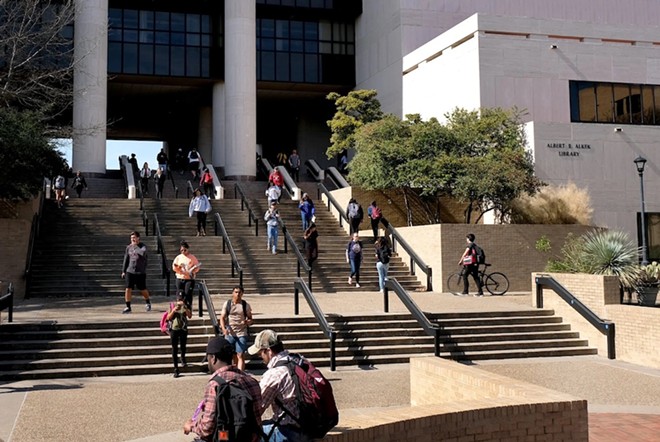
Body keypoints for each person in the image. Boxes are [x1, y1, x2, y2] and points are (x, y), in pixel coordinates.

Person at [184, 336, 263, 442]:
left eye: (208, 359)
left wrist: (192, 426)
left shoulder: (214, 385)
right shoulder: (252, 382)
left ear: (213, 358)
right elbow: (257, 417)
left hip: (224, 438)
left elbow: (207, 428)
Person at [247, 329, 311, 442]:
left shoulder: (274, 374)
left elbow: (257, 409)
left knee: (246, 434)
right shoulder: (298, 361)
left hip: (287, 432)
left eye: (260, 353)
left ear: (269, 351)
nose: (260, 357)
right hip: (306, 427)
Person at [220, 286, 253, 371]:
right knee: (231, 355)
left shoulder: (245, 305)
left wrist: (247, 322)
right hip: (230, 332)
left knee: (240, 354)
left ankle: (240, 374)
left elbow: (250, 319)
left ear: (242, 294)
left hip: (241, 332)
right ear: (232, 293)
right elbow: (222, 318)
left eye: (239, 292)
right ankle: (233, 371)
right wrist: (224, 329)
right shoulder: (227, 304)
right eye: (236, 292)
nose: (237, 294)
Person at [120, 231, 152, 313]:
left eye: (134, 238)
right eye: (131, 238)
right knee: (128, 288)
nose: (132, 239)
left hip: (140, 272)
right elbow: (126, 259)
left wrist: (135, 247)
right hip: (130, 271)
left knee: (142, 289)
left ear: (138, 238)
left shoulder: (142, 246)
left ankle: (147, 301)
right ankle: (128, 306)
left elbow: (142, 253)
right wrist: (123, 270)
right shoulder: (128, 247)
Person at [168, 291, 192, 378]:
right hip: (174, 329)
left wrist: (185, 308)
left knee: (183, 346)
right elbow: (168, 318)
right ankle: (176, 368)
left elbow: (190, 316)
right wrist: (174, 310)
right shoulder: (172, 305)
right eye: (178, 299)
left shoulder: (186, 305)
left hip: (183, 328)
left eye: (181, 299)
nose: (180, 300)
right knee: (174, 348)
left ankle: (183, 358)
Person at [172, 241, 201, 307]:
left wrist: (193, 269)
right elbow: (174, 267)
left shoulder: (192, 257)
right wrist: (179, 268)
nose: (183, 252)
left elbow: (197, 266)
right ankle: (180, 305)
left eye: (185, 250)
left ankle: (188, 306)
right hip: (180, 277)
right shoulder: (178, 257)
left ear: (187, 249)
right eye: (182, 250)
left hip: (189, 278)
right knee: (180, 292)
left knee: (188, 293)